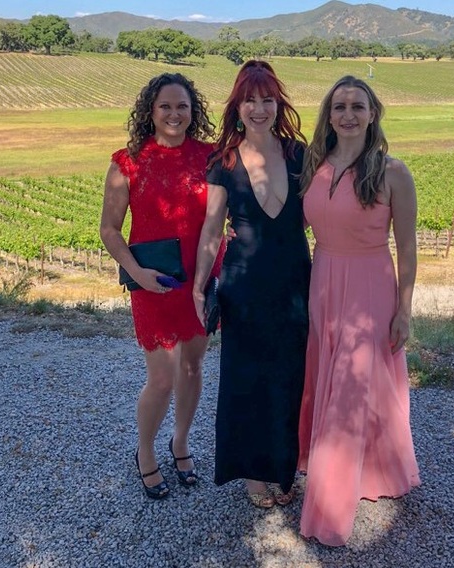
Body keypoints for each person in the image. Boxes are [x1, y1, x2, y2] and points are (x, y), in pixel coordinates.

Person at [297, 75, 421, 545]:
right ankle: (372, 469)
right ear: (329, 116)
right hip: (324, 282)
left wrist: (404, 309)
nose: (348, 114)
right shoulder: (313, 166)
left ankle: (329, 504)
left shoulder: (393, 172)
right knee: (333, 377)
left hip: (370, 288)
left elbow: (407, 248)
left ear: (372, 115)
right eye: (340, 106)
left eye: (357, 106)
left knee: (351, 384)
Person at [100, 72, 224, 499]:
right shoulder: (127, 162)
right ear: (150, 111)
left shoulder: (211, 157)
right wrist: (137, 274)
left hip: (202, 279)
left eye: (182, 106)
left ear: (193, 111)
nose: (174, 114)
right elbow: (109, 230)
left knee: (192, 368)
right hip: (152, 283)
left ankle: (181, 442)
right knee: (162, 379)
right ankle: (146, 450)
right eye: (165, 106)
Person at [193, 60, 311, 508]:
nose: (259, 109)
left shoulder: (300, 154)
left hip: (295, 282)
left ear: (278, 104)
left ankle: (283, 467)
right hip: (243, 285)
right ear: (237, 107)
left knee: (290, 376)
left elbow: (321, 210)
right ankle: (252, 474)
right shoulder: (223, 161)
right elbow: (211, 230)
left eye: (267, 100)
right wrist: (199, 287)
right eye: (250, 100)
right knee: (246, 379)